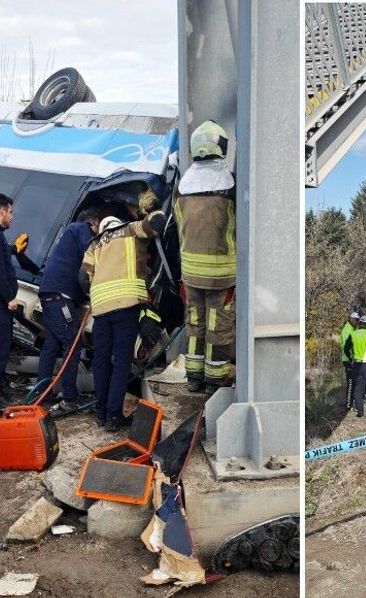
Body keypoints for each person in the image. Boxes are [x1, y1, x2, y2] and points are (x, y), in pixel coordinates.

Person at [81, 210, 166, 430]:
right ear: (118, 223)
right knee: (121, 362)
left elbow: (82, 279)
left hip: (101, 311)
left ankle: (101, 413)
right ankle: (114, 417)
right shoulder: (129, 230)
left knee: (100, 362)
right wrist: (155, 210)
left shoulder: (94, 245)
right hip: (125, 307)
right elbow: (152, 225)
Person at [174, 120, 237, 394]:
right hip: (221, 275)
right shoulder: (228, 187)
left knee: (195, 324)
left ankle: (193, 379)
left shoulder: (183, 187)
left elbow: (179, 228)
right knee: (217, 327)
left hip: (190, 273)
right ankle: (215, 380)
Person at [36, 209, 101, 416]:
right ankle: (70, 397)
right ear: (92, 222)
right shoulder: (80, 228)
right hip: (59, 297)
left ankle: (42, 393)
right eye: (98, 227)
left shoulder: (68, 237)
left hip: (52, 294)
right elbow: (91, 250)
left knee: (52, 345)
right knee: (73, 344)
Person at [0, 195, 18, 406]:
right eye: (10, 212)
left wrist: (14, 250)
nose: (12, 217)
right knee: (2, 349)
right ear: (2, 211)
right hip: (2, 305)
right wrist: (10, 297)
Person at [344, 315, 366, 418]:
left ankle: (360, 412)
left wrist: (350, 358)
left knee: (358, 389)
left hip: (356, 365)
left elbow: (346, 349)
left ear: (359, 324)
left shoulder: (353, 334)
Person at [340, 311, 359, 409]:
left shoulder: (352, 328)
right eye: (356, 320)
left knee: (355, 381)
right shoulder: (347, 330)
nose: (357, 321)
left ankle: (353, 402)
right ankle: (348, 404)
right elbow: (347, 347)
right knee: (351, 382)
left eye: (358, 320)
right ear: (351, 319)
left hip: (353, 359)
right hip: (348, 360)